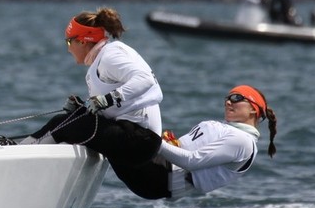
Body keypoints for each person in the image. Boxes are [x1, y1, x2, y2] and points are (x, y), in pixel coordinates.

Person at [22, 8, 163, 164]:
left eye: (68, 41)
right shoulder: (102, 59)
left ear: (83, 41)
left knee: (61, 123)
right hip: (137, 136)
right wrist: (81, 110)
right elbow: (112, 110)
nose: (68, 48)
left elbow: (146, 79)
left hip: (141, 139)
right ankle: (23, 151)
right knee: (70, 120)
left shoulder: (110, 56)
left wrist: (107, 99)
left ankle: (19, 154)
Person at [104, 85, 277, 200]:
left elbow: (191, 161)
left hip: (160, 178)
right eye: (228, 97)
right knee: (114, 122)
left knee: (110, 131)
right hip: (158, 168)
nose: (228, 102)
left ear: (254, 109)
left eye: (237, 98)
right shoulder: (225, 130)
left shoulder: (243, 142)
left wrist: (152, 140)